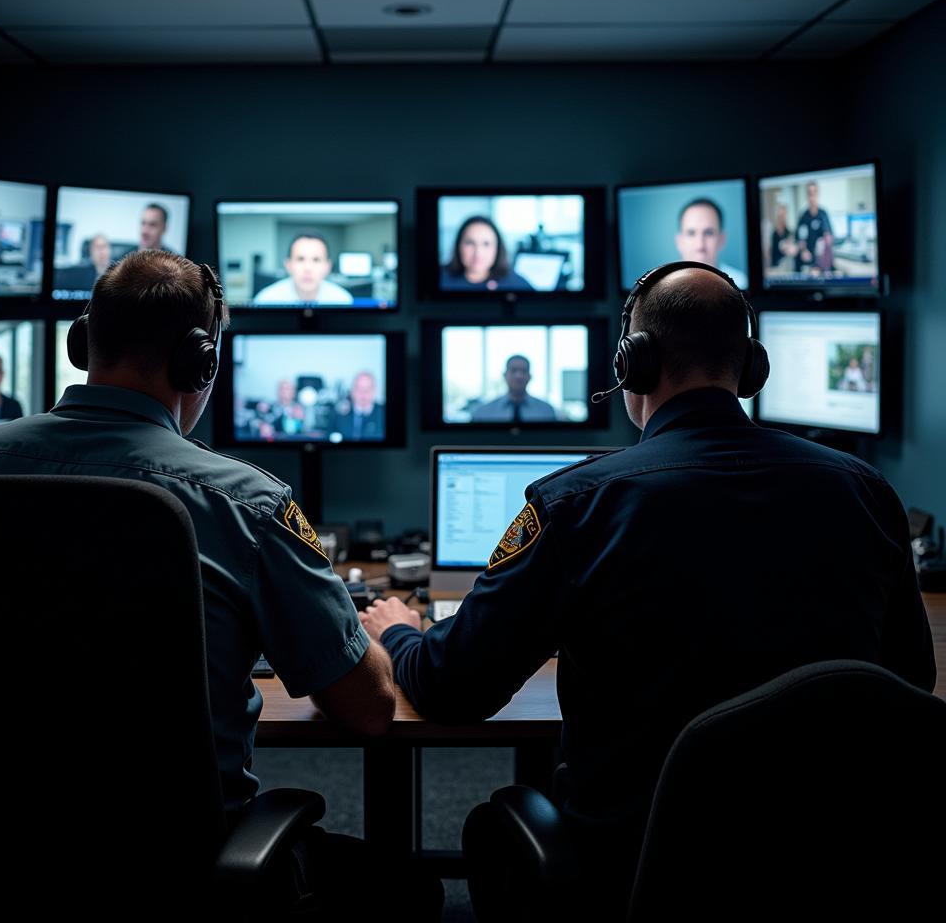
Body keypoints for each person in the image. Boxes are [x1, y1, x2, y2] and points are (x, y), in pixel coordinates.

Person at [360, 264, 934, 917]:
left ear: (632, 364)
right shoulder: (866, 493)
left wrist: (400, 630)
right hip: (834, 869)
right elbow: (909, 682)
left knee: (499, 824)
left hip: (634, 876)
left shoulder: (576, 504)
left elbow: (451, 687)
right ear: (750, 369)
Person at [0, 249, 441, 921]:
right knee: (409, 892)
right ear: (202, 362)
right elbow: (369, 708)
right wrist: (372, 626)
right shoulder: (247, 503)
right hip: (177, 872)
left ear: (84, 343)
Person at [440, 215, 534, 292]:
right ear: (458, 246)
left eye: (486, 244)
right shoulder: (440, 278)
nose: (478, 252)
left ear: (497, 248)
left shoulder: (517, 285)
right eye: (470, 243)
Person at [253, 233, 353, 305]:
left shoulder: (343, 301)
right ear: (288, 265)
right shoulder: (265, 301)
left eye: (316, 260)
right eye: (300, 259)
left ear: (328, 267)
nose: (308, 268)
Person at [673, 197, 747, 289]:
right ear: (679, 241)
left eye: (709, 233)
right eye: (691, 233)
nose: (700, 245)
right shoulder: (657, 284)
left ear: (721, 239)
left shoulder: (741, 284)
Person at [470, 355, 557, 423]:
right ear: (504, 375)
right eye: (514, 370)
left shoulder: (546, 411)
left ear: (530, 376)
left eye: (523, 371)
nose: (518, 376)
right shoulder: (483, 413)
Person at [795, 180, 836, 274]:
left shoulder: (823, 214)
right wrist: (804, 250)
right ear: (807, 195)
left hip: (822, 262)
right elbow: (800, 240)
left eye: (814, 192)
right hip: (808, 262)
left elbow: (830, 237)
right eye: (809, 193)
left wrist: (826, 240)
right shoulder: (803, 216)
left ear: (818, 194)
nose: (812, 196)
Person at [332, 371, 385, 441]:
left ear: (374, 390)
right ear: (352, 390)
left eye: (368, 389)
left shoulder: (383, 414)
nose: (363, 393)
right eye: (359, 388)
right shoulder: (338, 414)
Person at [770, 201, 791, 269]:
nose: (781, 218)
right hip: (775, 268)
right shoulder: (773, 234)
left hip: (786, 267)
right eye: (780, 216)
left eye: (783, 216)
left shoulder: (789, 233)